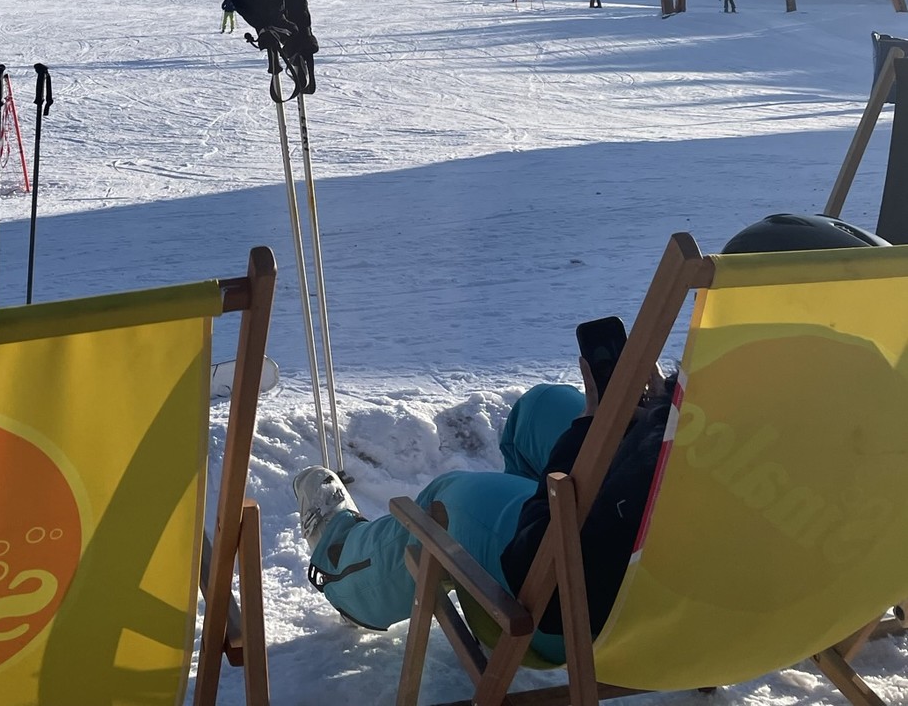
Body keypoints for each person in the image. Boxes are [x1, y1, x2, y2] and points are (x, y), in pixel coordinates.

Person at [293, 212, 884, 659]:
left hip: (606, 611)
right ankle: (525, 502)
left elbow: (549, 560)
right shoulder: (865, 422)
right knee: (539, 409)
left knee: (448, 497)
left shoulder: (703, 447)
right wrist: (663, 412)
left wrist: (598, 429)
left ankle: (343, 562)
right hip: (753, 578)